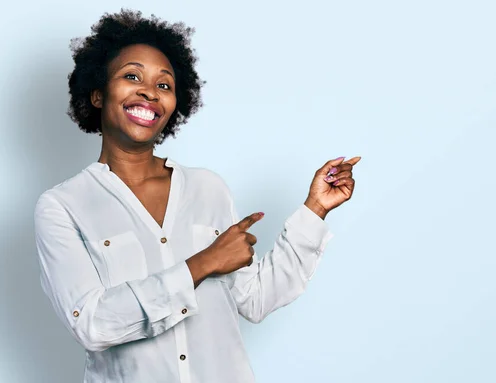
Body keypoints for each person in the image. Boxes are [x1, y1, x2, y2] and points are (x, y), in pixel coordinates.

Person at [33, 9, 361, 383]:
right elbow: (93, 324)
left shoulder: (209, 189)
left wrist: (316, 208)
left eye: (164, 85)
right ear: (96, 94)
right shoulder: (62, 207)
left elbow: (253, 299)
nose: (149, 92)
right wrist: (202, 264)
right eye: (131, 76)